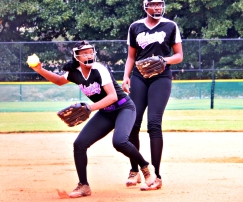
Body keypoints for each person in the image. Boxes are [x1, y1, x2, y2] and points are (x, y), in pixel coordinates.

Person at [29, 40, 156, 198]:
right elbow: (58, 81)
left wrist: (89, 108)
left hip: (123, 108)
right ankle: (84, 186)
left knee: (119, 141)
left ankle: (145, 168)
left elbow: (112, 96)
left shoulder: (99, 69)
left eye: (90, 52)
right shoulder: (74, 73)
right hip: (105, 112)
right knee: (79, 144)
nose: (89, 55)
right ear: (77, 56)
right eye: (84, 53)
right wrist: (39, 69)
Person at [122, 0, 183, 191]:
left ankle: (156, 175)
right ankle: (135, 171)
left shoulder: (170, 26)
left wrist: (164, 60)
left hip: (161, 77)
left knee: (154, 124)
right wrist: (126, 76)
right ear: (146, 7)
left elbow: (179, 55)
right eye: (153, 5)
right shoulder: (135, 27)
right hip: (140, 76)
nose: (157, 8)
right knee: (133, 123)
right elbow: (131, 56)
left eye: (160, 5)